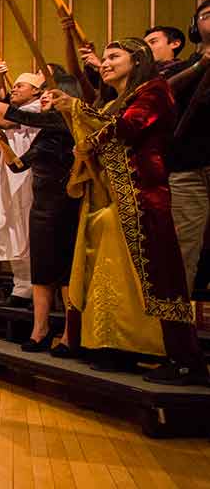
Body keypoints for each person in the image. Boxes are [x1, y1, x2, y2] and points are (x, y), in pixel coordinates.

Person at [53, 32, 207, 385]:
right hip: (114, 198)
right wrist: (78, 118)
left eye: (113, 58)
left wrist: (78, 112)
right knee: (118, 276)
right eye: (104, 58)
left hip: (143, 195)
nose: (104, 64)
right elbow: (102, 128)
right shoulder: (115, 100)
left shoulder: (153, 90)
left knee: (161, 277)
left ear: (137, 60)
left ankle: (186, 359)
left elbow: (127, 128)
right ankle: (120, 345)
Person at [0, 66, 82, 354]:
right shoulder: (44, 134)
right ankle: (39, 330)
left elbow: (18, 115)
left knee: (64, 271)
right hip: (41, 206)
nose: (43, 99)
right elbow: (19, 165)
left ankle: (70, 334)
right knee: (42, 268)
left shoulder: (65, 122)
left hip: (64, 203)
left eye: (49, 95)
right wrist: (1, 143)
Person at [0, 67, 44, 307]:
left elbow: (4, 118)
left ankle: (36, 287)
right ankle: (21, 285)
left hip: (28, 175)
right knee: (11, 225)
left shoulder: (36, 110)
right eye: (14, 84)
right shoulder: (19, 111)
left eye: (21, 85)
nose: (14, 88)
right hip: (9, 175)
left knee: (26, 228)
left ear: (36, 91)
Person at [165, 0, 210, 296]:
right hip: (188, 168)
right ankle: (176, 330)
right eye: (207, 15)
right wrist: (203, 64)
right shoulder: (182, 69)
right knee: (183, 250)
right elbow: (161, 94)